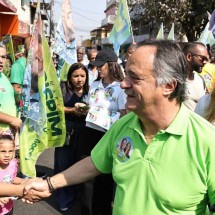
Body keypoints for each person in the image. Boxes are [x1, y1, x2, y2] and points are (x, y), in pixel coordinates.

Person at [24, 40, 215, 214]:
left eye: (135, 78)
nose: (123, 84)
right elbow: (95, 163)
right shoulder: (124, 125)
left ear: (168, 86)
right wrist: (49, 184)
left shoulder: (206, 140)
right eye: (126, 76)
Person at [77, 49, 126, 215]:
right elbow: (92, 105)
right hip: (89, 131)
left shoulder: (121, 87)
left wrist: (107, 118)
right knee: (86, 177)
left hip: (108, 135)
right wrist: (86, 110)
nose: (98, 69)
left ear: (111, 65)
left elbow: (125, 114)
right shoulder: (94, 84)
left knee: (104, 178)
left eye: (101, 65)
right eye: (96, 66)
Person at [54, 63, 89, 211]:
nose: (79, 79)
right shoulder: (63, 89)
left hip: (85, 134)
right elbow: (55, 107)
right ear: (69, 77)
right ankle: (63, 198)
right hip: (66, 133)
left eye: (82, 76)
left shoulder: (91, 90)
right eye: (75, 76)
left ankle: (77, 194)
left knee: (79, 165)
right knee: (63, 165)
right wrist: (71, 110)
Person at [0, 42, 22, 136]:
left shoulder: (3, 77)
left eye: (3, 57)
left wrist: (19, 98)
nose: (1, 60)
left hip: (8, 134)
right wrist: (12, 120)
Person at [182, 42, 208, 111]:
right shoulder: (174, 79)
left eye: (206, 59)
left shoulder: (200, 80)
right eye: (202, 58)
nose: (205, 62)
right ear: (189, 57)